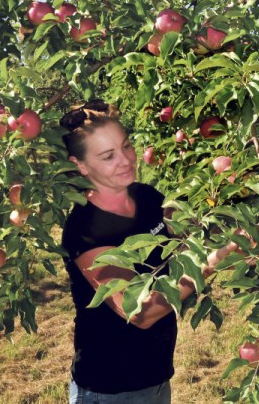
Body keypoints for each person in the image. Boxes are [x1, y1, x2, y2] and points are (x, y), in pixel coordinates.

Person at [59, 100, 229, 404]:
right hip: (109, 389)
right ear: (81, 165)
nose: (125, 160)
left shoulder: (145, 196)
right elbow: (140, 312)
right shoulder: (85, 231)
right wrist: (212, 261)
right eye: (108, 156)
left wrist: (228, 197)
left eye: (125, 146)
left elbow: (189, 233)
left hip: (156, 377)